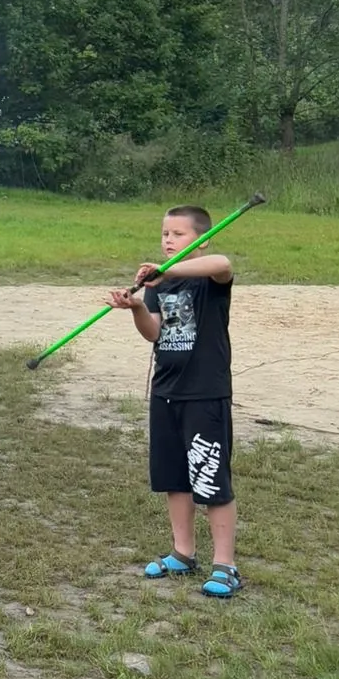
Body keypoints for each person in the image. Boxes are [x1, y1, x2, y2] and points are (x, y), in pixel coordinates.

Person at [108, 206, 240, 599]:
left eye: (179, 234)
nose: (168, 240)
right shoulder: (157, 284)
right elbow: (153, 332)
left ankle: (225, 565)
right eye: (165, 233)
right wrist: (135, 306)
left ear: (200, 238)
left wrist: (171, 271)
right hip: (166, 391)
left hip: (204, 393)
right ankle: (183, 552)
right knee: (175, 478)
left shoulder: (210, 279)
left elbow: (224, 262)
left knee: (210, 477)